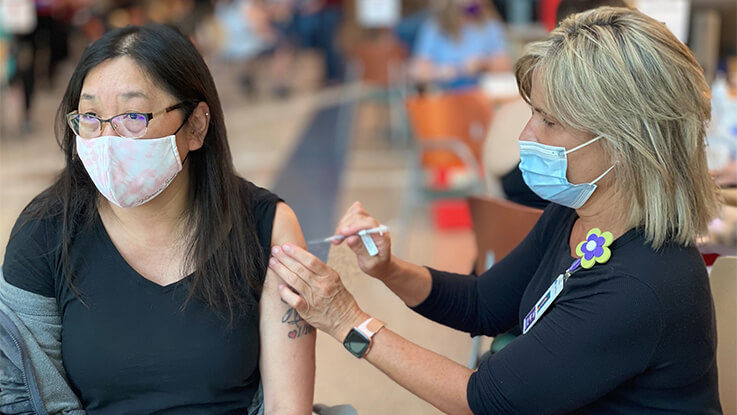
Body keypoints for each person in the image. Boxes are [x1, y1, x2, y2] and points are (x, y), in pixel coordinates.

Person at [268, 7, 722, 414]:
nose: (527, 133)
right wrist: (389, 269)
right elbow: (484, 303)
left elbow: (486, 401)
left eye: (549, 120)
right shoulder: (582, 213)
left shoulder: (642, 283)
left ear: (624, 143)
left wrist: (349, 321)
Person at [0, 24, 315, 413]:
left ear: (196, 125)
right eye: (91, 116)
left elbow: (288, 405)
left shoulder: (267, 228)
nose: (107, 141)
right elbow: (21, 393)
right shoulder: (45, 233)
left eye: (133, 116)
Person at [482, 0, 627, 209]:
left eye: (549, 121)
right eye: (544, 117)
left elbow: (491, 203)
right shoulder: (601, 141)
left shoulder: (506, 117)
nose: (526, 136)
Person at [410, 0, 510, 90]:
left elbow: (505, 64)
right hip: (444, 94)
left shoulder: (491, 26)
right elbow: (417, 71)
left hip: (481, 93)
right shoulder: (435, 27)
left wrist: (483, 63)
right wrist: (444, 72)